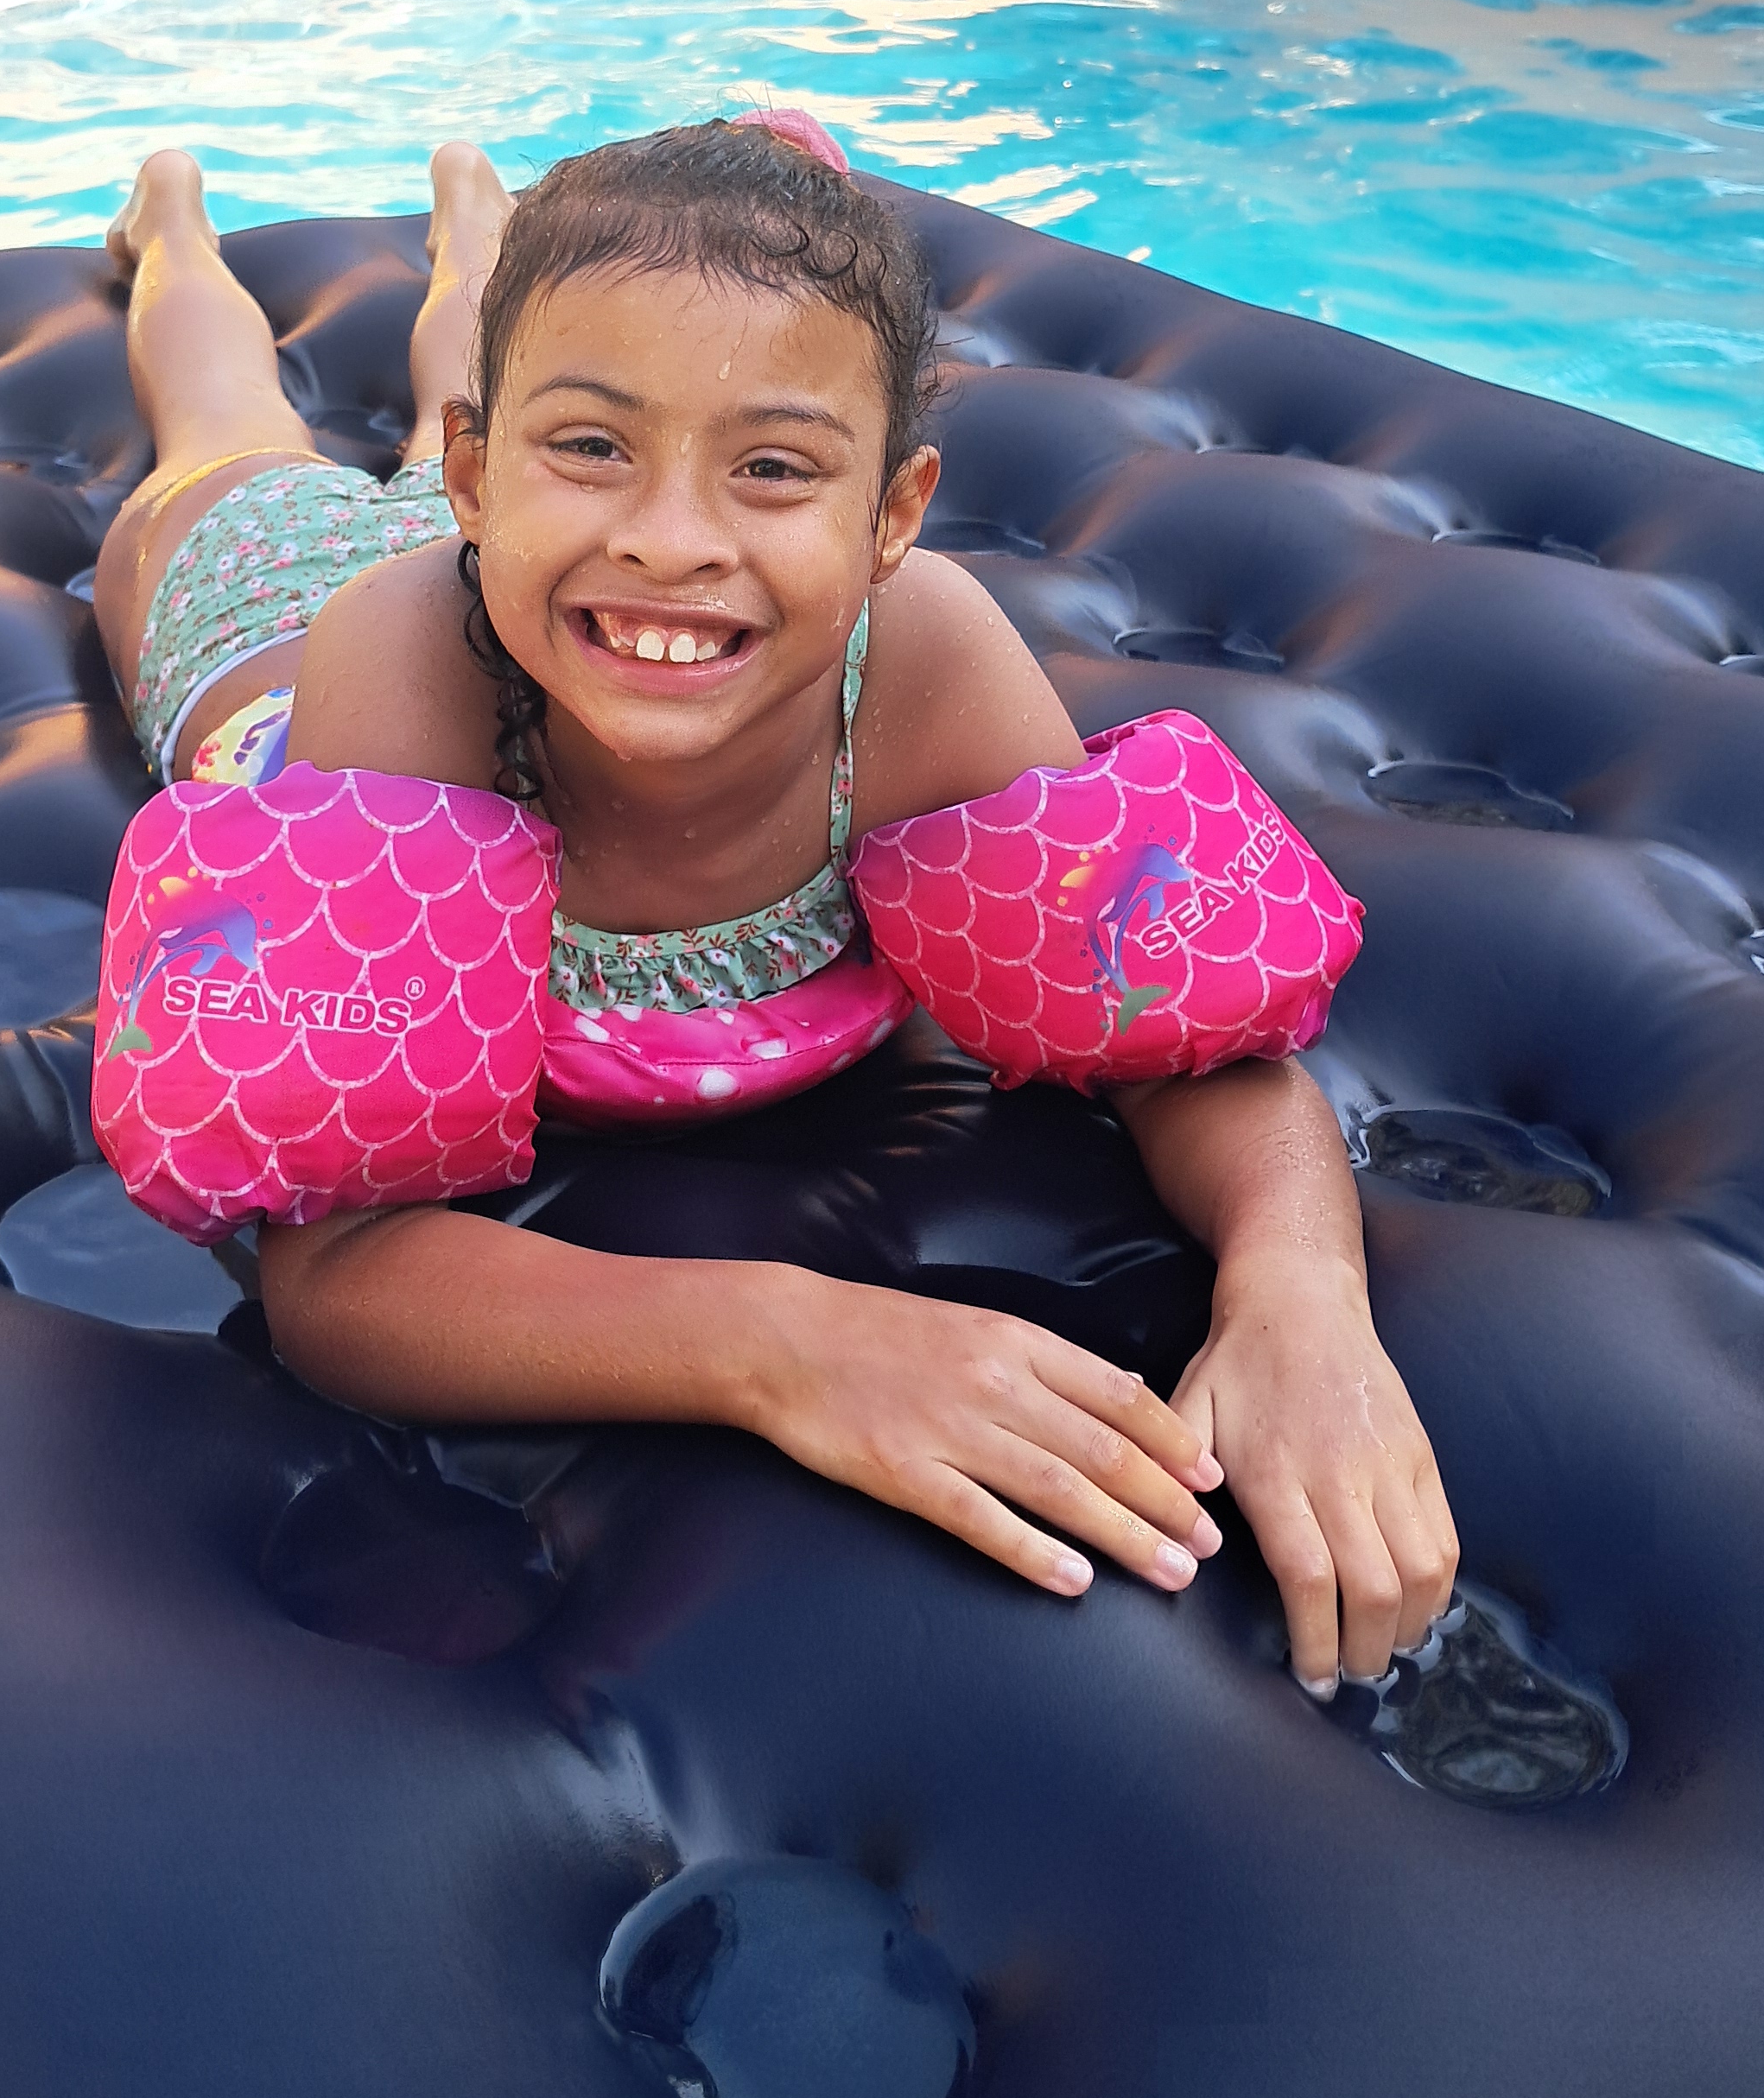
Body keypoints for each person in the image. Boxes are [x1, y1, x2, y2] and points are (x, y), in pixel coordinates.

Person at [94, 123, 1458, 1697]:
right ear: (474, 475)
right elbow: (336, 1275)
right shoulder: (398, 669)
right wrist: (785, 1346)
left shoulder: (922, 665)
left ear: (892, 516)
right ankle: (173, 217)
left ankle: (476, 222)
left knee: (527, 342)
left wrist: (1298, 1288)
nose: (673, 539)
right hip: (267, 625)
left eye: (774, 468)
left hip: (535, 578)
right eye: (591, 446)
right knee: (222, 423)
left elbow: (1175, 1038)